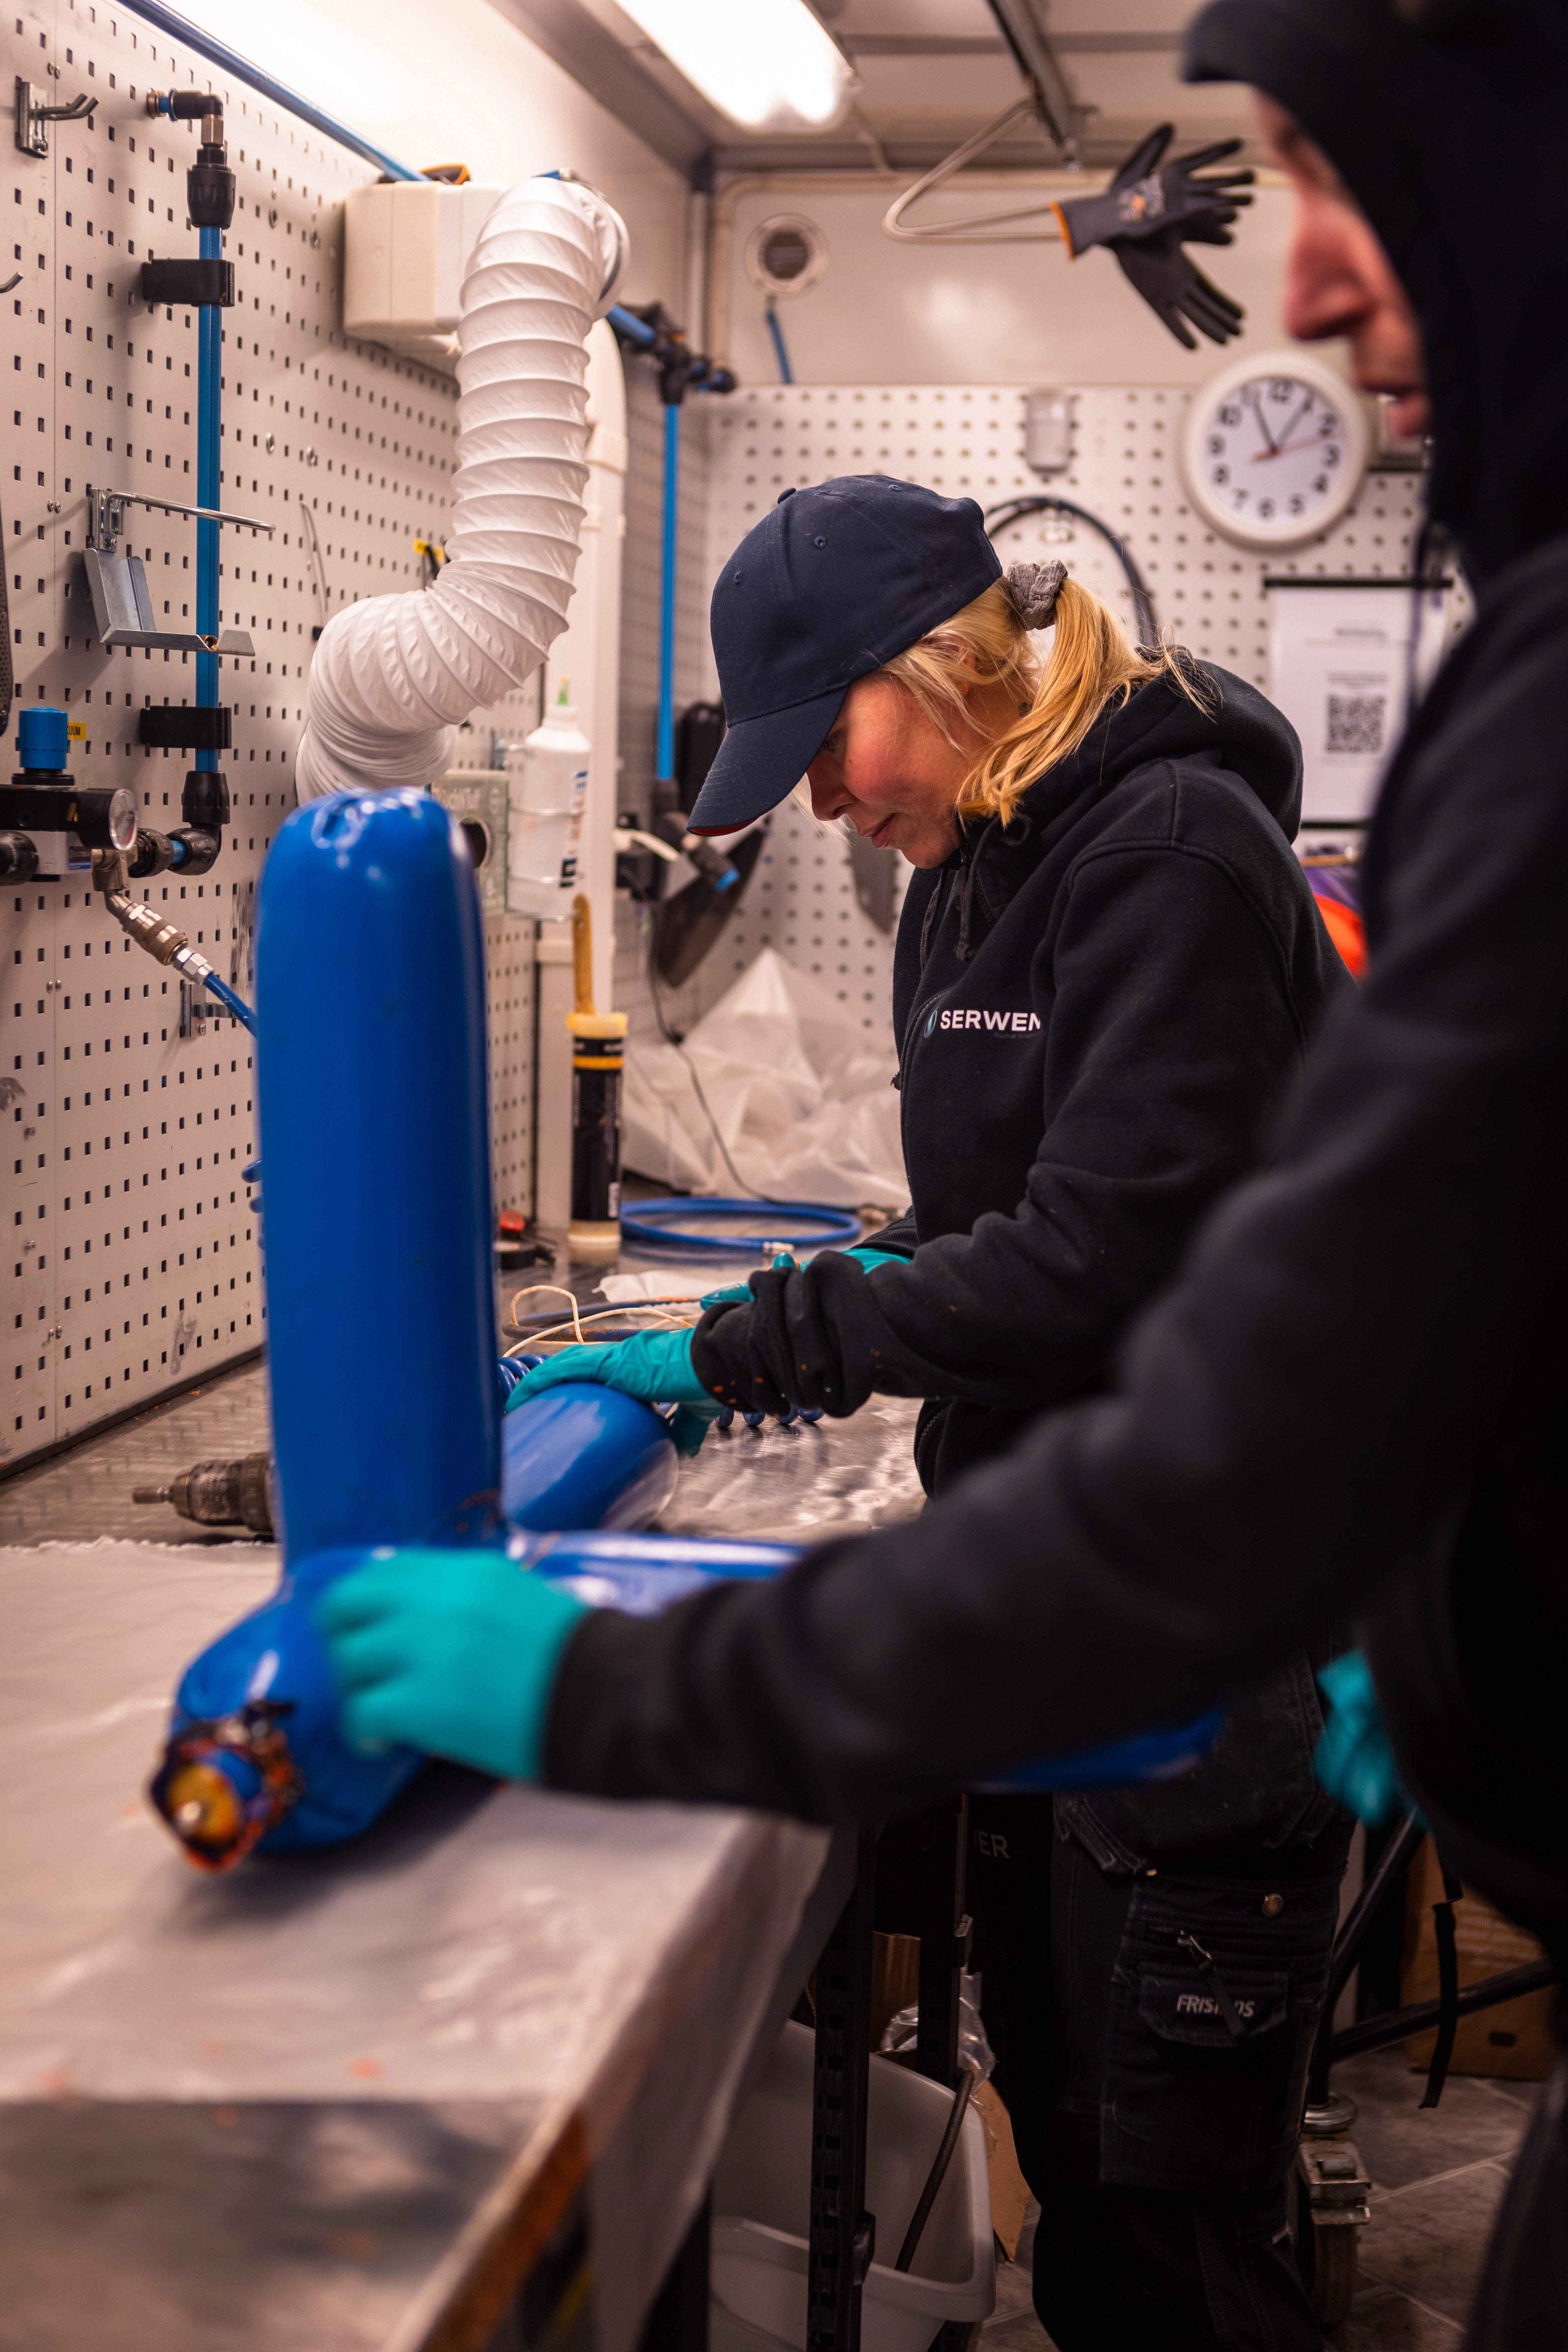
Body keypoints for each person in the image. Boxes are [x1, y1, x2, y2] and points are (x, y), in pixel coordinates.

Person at [320, 4, 1568, 2343]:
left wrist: (756, 1350)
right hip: (1085, 1631)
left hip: (1200, 1677)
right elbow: (1005, 1220)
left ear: (939, 667)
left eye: (831, 739)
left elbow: (1115, 1267)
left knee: (1166, 2256)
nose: (811, 798)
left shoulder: (1171, 852)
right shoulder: (967, 879)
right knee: (1090, 2202)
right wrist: (747, 1335)